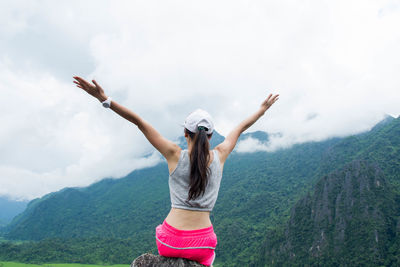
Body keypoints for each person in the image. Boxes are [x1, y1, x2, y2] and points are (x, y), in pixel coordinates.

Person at [73, 76, 279, 266]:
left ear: (185, 133)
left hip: (170, 241)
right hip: (202, 245)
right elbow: (240, 127)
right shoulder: (220, 155)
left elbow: (140, 122)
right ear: (211, 136)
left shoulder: (174, 154)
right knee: (210, 256)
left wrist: (104, 99)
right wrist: (262, 110)